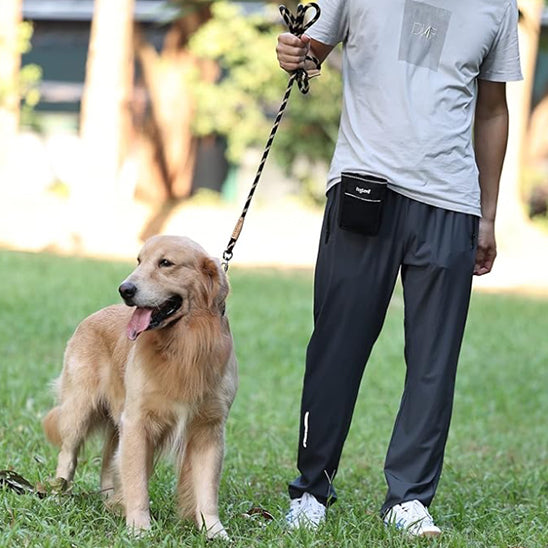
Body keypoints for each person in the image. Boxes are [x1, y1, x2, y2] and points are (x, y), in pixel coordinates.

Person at [276, 0, 522, 537]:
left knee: (435, 359)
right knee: (338, 344)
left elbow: (493, 109)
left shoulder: (498, 7)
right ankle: (311, 489)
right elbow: (309, 51)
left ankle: (408, 498)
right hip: (366, 185)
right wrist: (294, 51)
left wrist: (488, 212)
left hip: (452, 200)